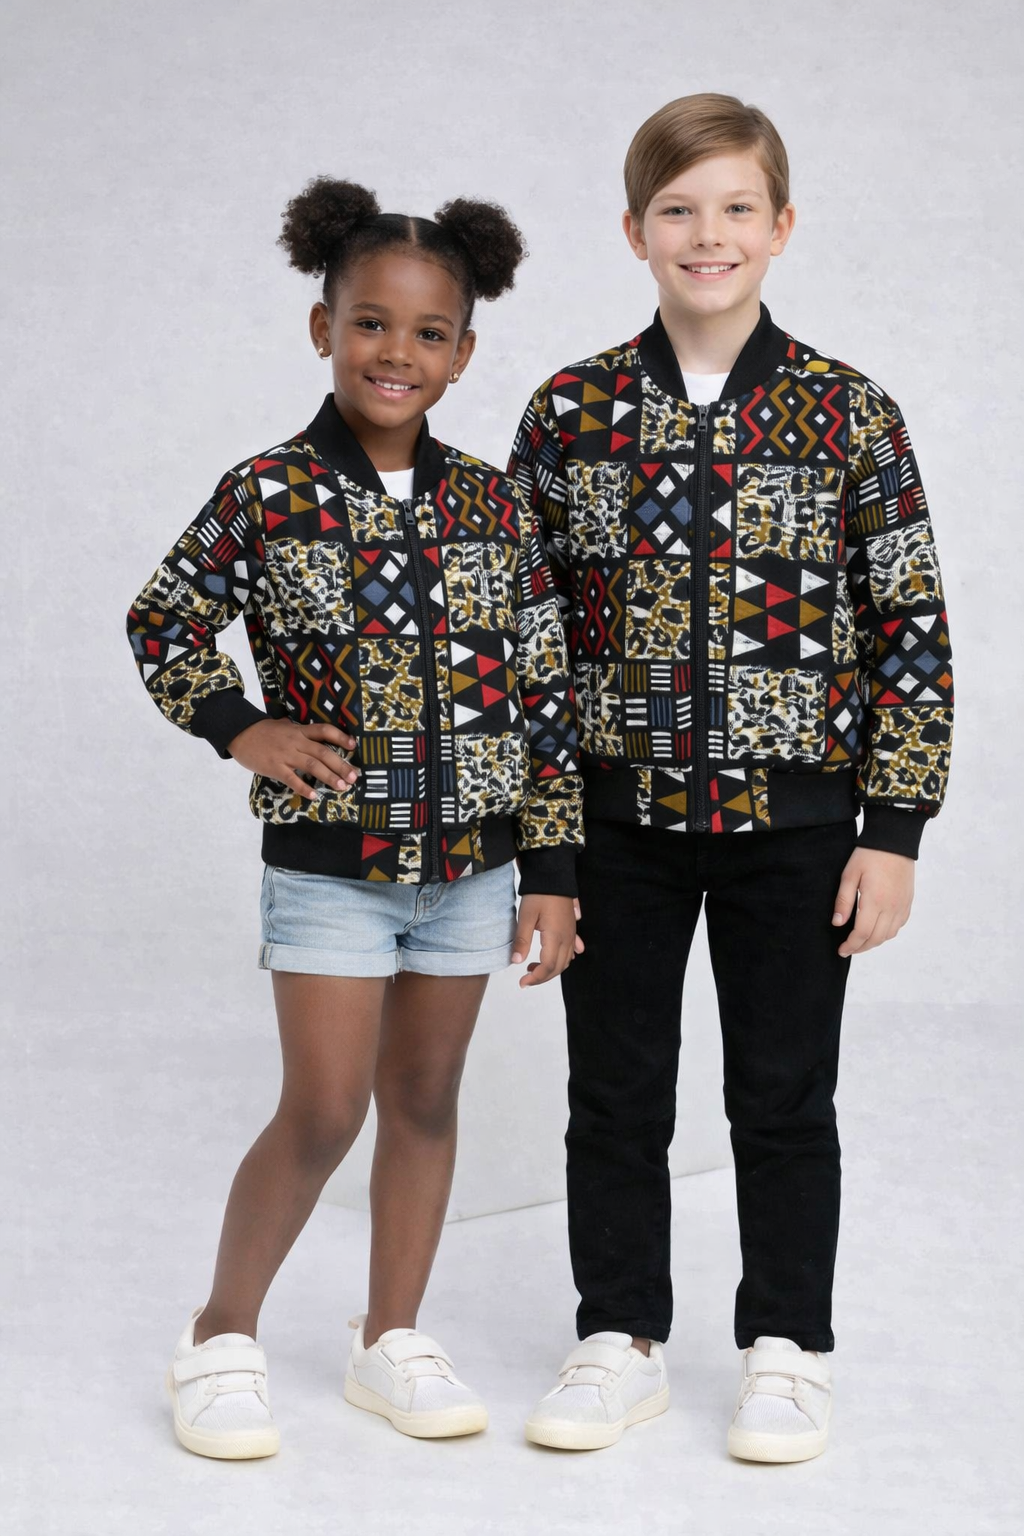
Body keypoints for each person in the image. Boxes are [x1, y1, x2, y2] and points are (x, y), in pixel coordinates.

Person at [508, 93, 953, 1461]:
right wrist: (546, 854)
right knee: (614, 1097)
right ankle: (618, 1335)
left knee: (783, 1096)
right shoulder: (571, 413)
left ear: (781, 225)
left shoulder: (847, 413)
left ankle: (788, 1346)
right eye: (679, 209)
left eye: (736, 208)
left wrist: (894, 828)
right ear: (634, 230)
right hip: (618, 827)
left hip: (798, 828)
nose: (709, 235)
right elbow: (526, 647)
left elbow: (910, 627)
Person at [127, 177, 583, 1459]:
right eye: (371, 323)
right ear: (323, 328)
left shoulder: (494, 505)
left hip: (473, 872)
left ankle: (391, 1338)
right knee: (325, 1110)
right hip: (331, 868)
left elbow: (545, 695)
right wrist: (242, 726)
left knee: (425, 1103)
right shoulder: (267, 492)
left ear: (464, 353)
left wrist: (551, 867)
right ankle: (220, 1334)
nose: (397, 352)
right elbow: (163, 618)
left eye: (429, 332)